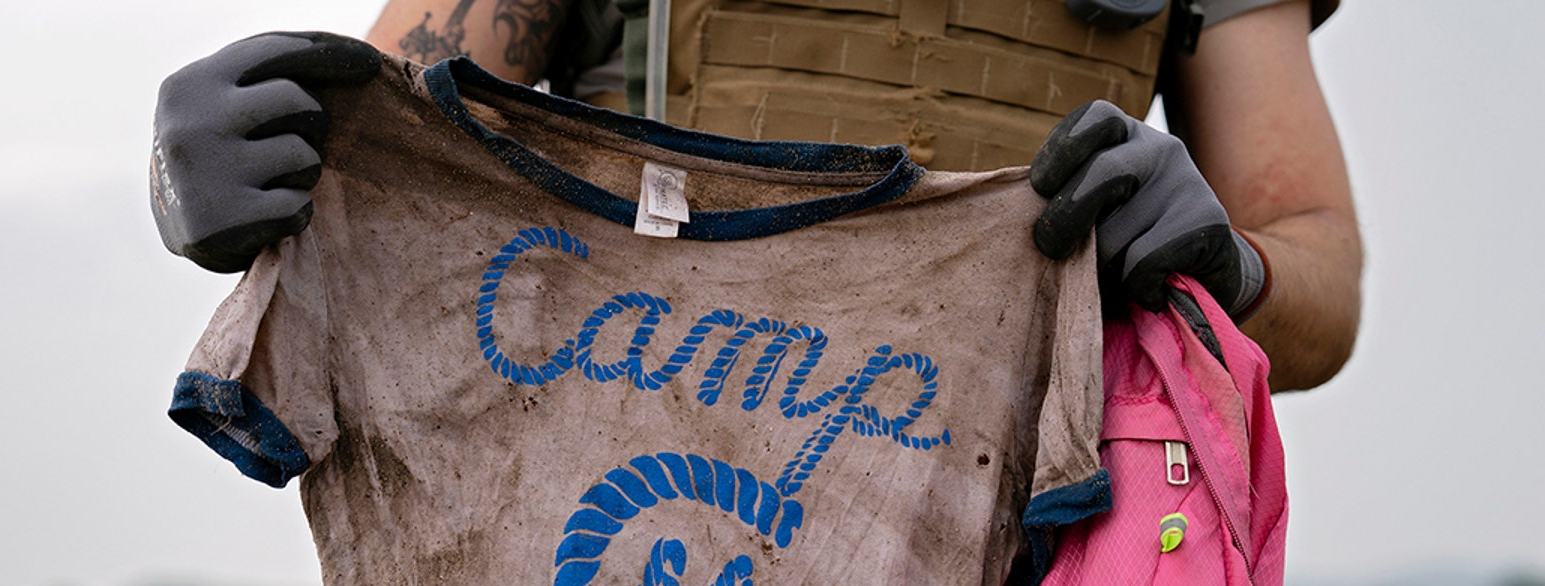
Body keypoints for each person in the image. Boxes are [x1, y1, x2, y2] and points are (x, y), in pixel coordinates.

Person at [150, 0, 1359, 391]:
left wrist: (1227, 268)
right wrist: (216, 169)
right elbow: (384, 153)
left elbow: (1320, 284)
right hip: (661, 535)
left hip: (1047, 573)